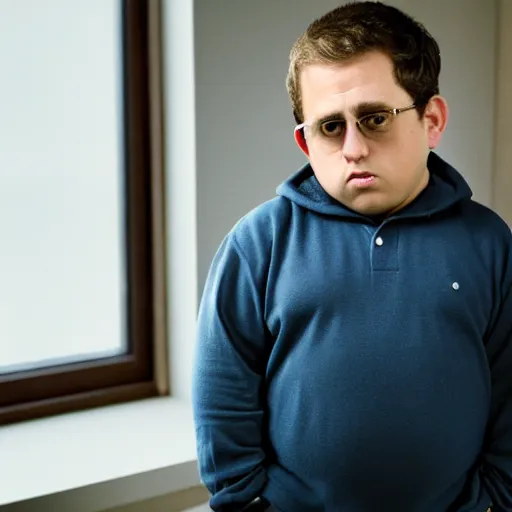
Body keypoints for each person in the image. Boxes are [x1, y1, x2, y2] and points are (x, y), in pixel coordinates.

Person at [192, 2, 512, 511]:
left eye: (375, 118)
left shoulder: (490, 243)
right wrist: (244, 501)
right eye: (330, 127)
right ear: (305, 141)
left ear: (431, 120)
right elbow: (221, 394)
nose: (354, 148)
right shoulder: (258, 244)